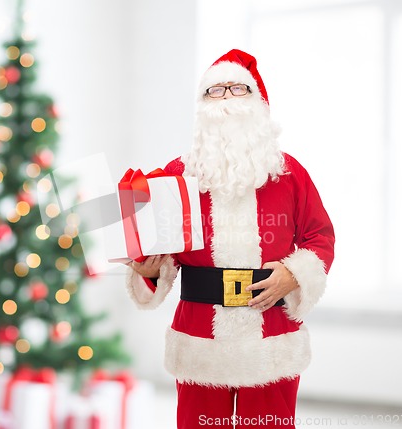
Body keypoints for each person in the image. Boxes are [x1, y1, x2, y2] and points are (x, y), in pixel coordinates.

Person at [126, 49, 335, 429]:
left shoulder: (289, 173)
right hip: (199, 336)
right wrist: (146, 270)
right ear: (202, 106)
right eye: (215, 90)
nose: (226, 99)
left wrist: (295, 274)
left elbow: (320, 236)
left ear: (257, 101)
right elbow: (159, 255)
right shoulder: (177, 176)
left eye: (237, 88)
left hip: (271, 334)